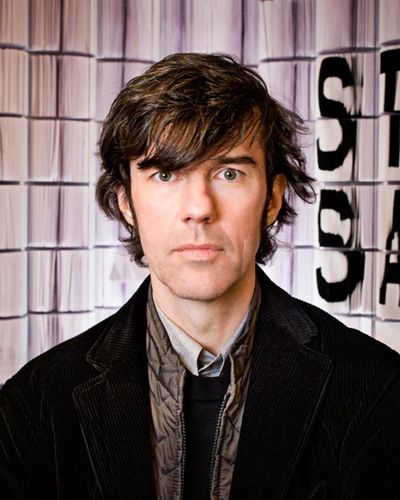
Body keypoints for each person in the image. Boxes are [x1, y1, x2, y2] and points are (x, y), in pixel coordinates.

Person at [1, 53, 399, 500]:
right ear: (126, 203)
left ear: (272, 198)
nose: (200, 208)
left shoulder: (377, 390)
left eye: (229, 173)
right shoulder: (33, 406)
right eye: (166, 173)